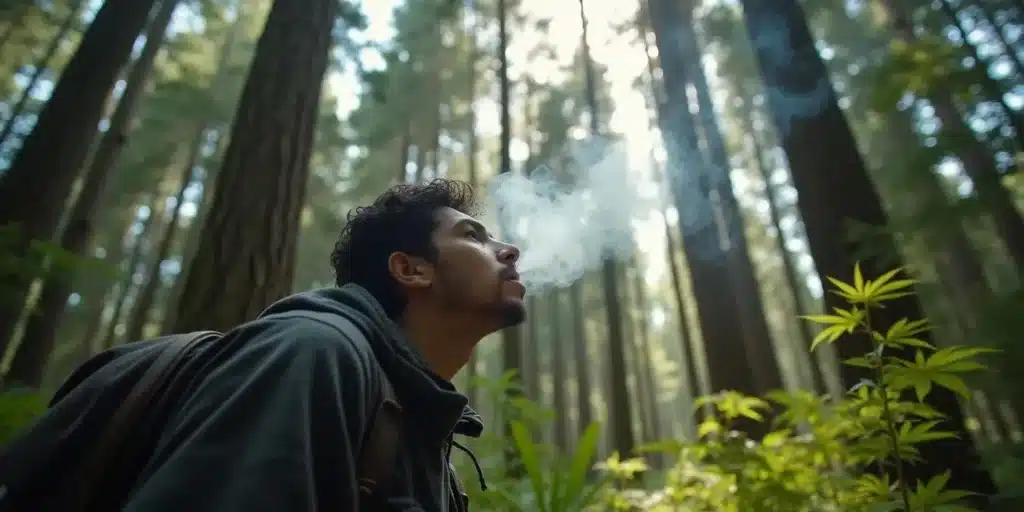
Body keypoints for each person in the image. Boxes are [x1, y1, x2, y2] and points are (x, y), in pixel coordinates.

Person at [5, 179, 526, 511]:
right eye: (475, 236)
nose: (509, 250)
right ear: (410, 269)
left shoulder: (429, 445)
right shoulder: (314, 354)